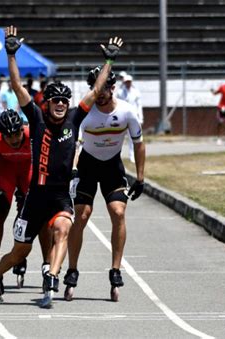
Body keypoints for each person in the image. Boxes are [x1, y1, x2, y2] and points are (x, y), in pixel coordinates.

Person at [0, 25, 123, 308]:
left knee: (63, 229)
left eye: (64, 100)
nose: (61, 104)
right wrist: (11, 54)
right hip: (35, 196)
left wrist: (109, 62)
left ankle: (52, 273)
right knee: (19, 253)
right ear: (46, 104)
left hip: (61, 195)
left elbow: (98, 88)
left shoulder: (75, 119)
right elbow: (16, 86)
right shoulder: (36, 119)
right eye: (55, 101)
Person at [64, 66, 146, 302]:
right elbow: (74, 146)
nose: (100, 94)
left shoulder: (127, 112)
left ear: (113, 88)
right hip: (88, 166)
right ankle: (72, 269)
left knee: (118, 212)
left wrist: (140, 178)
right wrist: (72, 171)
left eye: (105, 89)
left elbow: (139, 144)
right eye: (96, 89)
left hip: (112, 166)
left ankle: (115, 270)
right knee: (81, 215)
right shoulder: (85, 114)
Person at [0, 109, 50, 287]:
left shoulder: (33, 134)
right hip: (6, 171)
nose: (15, 139)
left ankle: (47, 264)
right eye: (9, 137)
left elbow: (50, 155)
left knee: (40, 217)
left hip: (27, 170)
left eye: (17, 134)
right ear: (1, 135)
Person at [116, 74, 143, 162]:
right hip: (122, 116)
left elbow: (139, 105)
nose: (128, 83)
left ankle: (132, 155)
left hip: (133, 117)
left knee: (133, 137)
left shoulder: (136, 92)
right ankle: (117, 155)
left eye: (129, 82)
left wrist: (141, 117)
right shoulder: (120, 92)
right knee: (119, 137)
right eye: (126, 82)